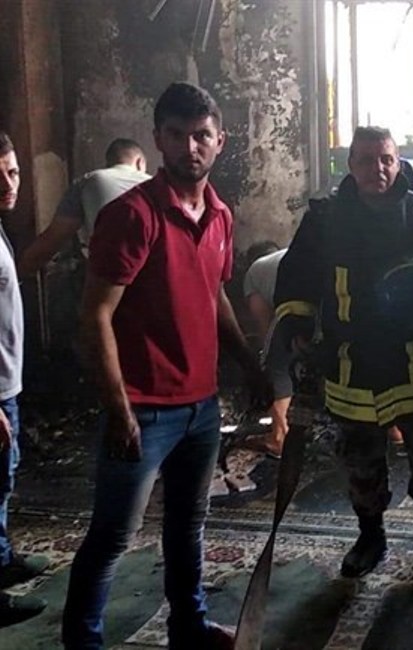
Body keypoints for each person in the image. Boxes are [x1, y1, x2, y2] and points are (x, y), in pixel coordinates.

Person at [61, 83, 272, 649]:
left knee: (188, 524)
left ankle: (188, 628)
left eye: (201, 135)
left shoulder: (220, 215)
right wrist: (119, 408)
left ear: (220, 141)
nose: (189, 147)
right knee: (112, 536)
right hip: (143, 409)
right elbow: (95, 316)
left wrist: (248, 363)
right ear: (158, 139)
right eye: (176, 135)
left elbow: (214, 294)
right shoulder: (132, 217)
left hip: (201, 405)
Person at [274, 126, 413, 578]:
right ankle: (370, 537)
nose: (377, 168)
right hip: (352, 364)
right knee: (360, 460)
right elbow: (296, 274)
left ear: (398, 163)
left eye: (386, 159)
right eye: (365, 159)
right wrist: (298, 326)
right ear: (349, 165)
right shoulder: (326, 219)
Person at [0, 132, 50, 625]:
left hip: (7, 383)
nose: (8, 184)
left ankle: (1, 560)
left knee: (3, 480)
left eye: (12, 172)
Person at [17, 138, 151, 275]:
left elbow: (53, 239)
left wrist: (18, 273)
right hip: (155, 275)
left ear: (108, 164)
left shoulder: (89, 181)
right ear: (140, 163)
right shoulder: (154, 185)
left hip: (108, 274)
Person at [243, 240, 290, 458]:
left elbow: (263, 324)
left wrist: (262, 357)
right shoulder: (286, 255)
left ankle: (278, 438)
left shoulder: (254, 273)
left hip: (296, 307)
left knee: (275, 367)